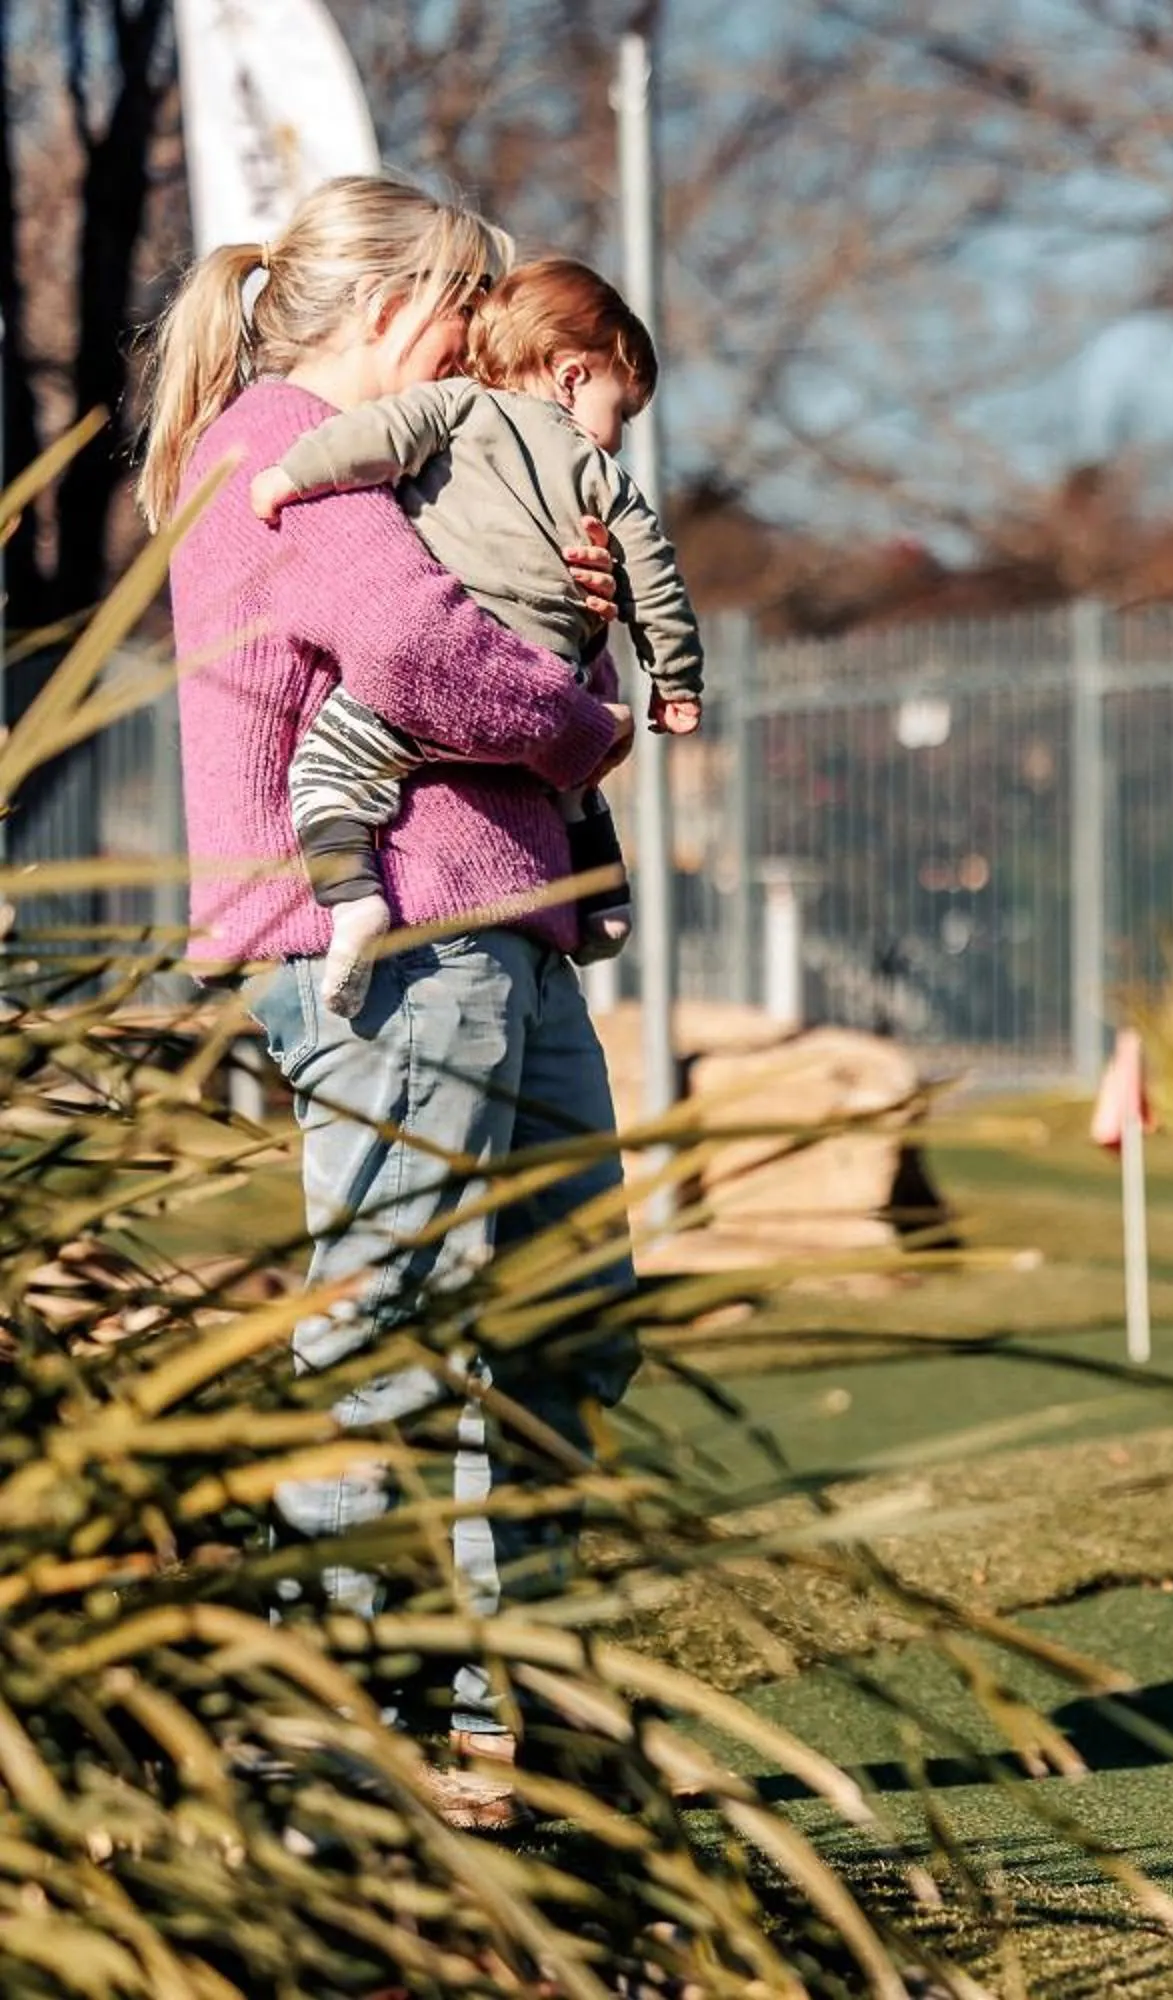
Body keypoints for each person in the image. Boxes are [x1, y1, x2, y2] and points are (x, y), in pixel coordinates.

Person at [139, 173, 641, 1830]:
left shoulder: (397, 469)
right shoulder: (276, 452)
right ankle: (338, 1725)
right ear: (393, 312)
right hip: (400, 949)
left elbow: (472, 620)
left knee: (556, 1319)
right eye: (463, 308)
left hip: (495, 933)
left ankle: (504, 1713)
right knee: (397, 1330)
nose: (477, 344)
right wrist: (585, 725)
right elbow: (418, 654)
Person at [250, 256, 705, 1017]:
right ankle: (605, 903)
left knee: (326, 775)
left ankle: (354, 897)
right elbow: (657, 586)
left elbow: (370, 440)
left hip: (436, 697)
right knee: (576, 781)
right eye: (620, 411)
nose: (619, 438)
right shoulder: (605, 481)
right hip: (546, 685)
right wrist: (678, 683)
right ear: (568, 376)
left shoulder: (455, 406)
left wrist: (289, 477)